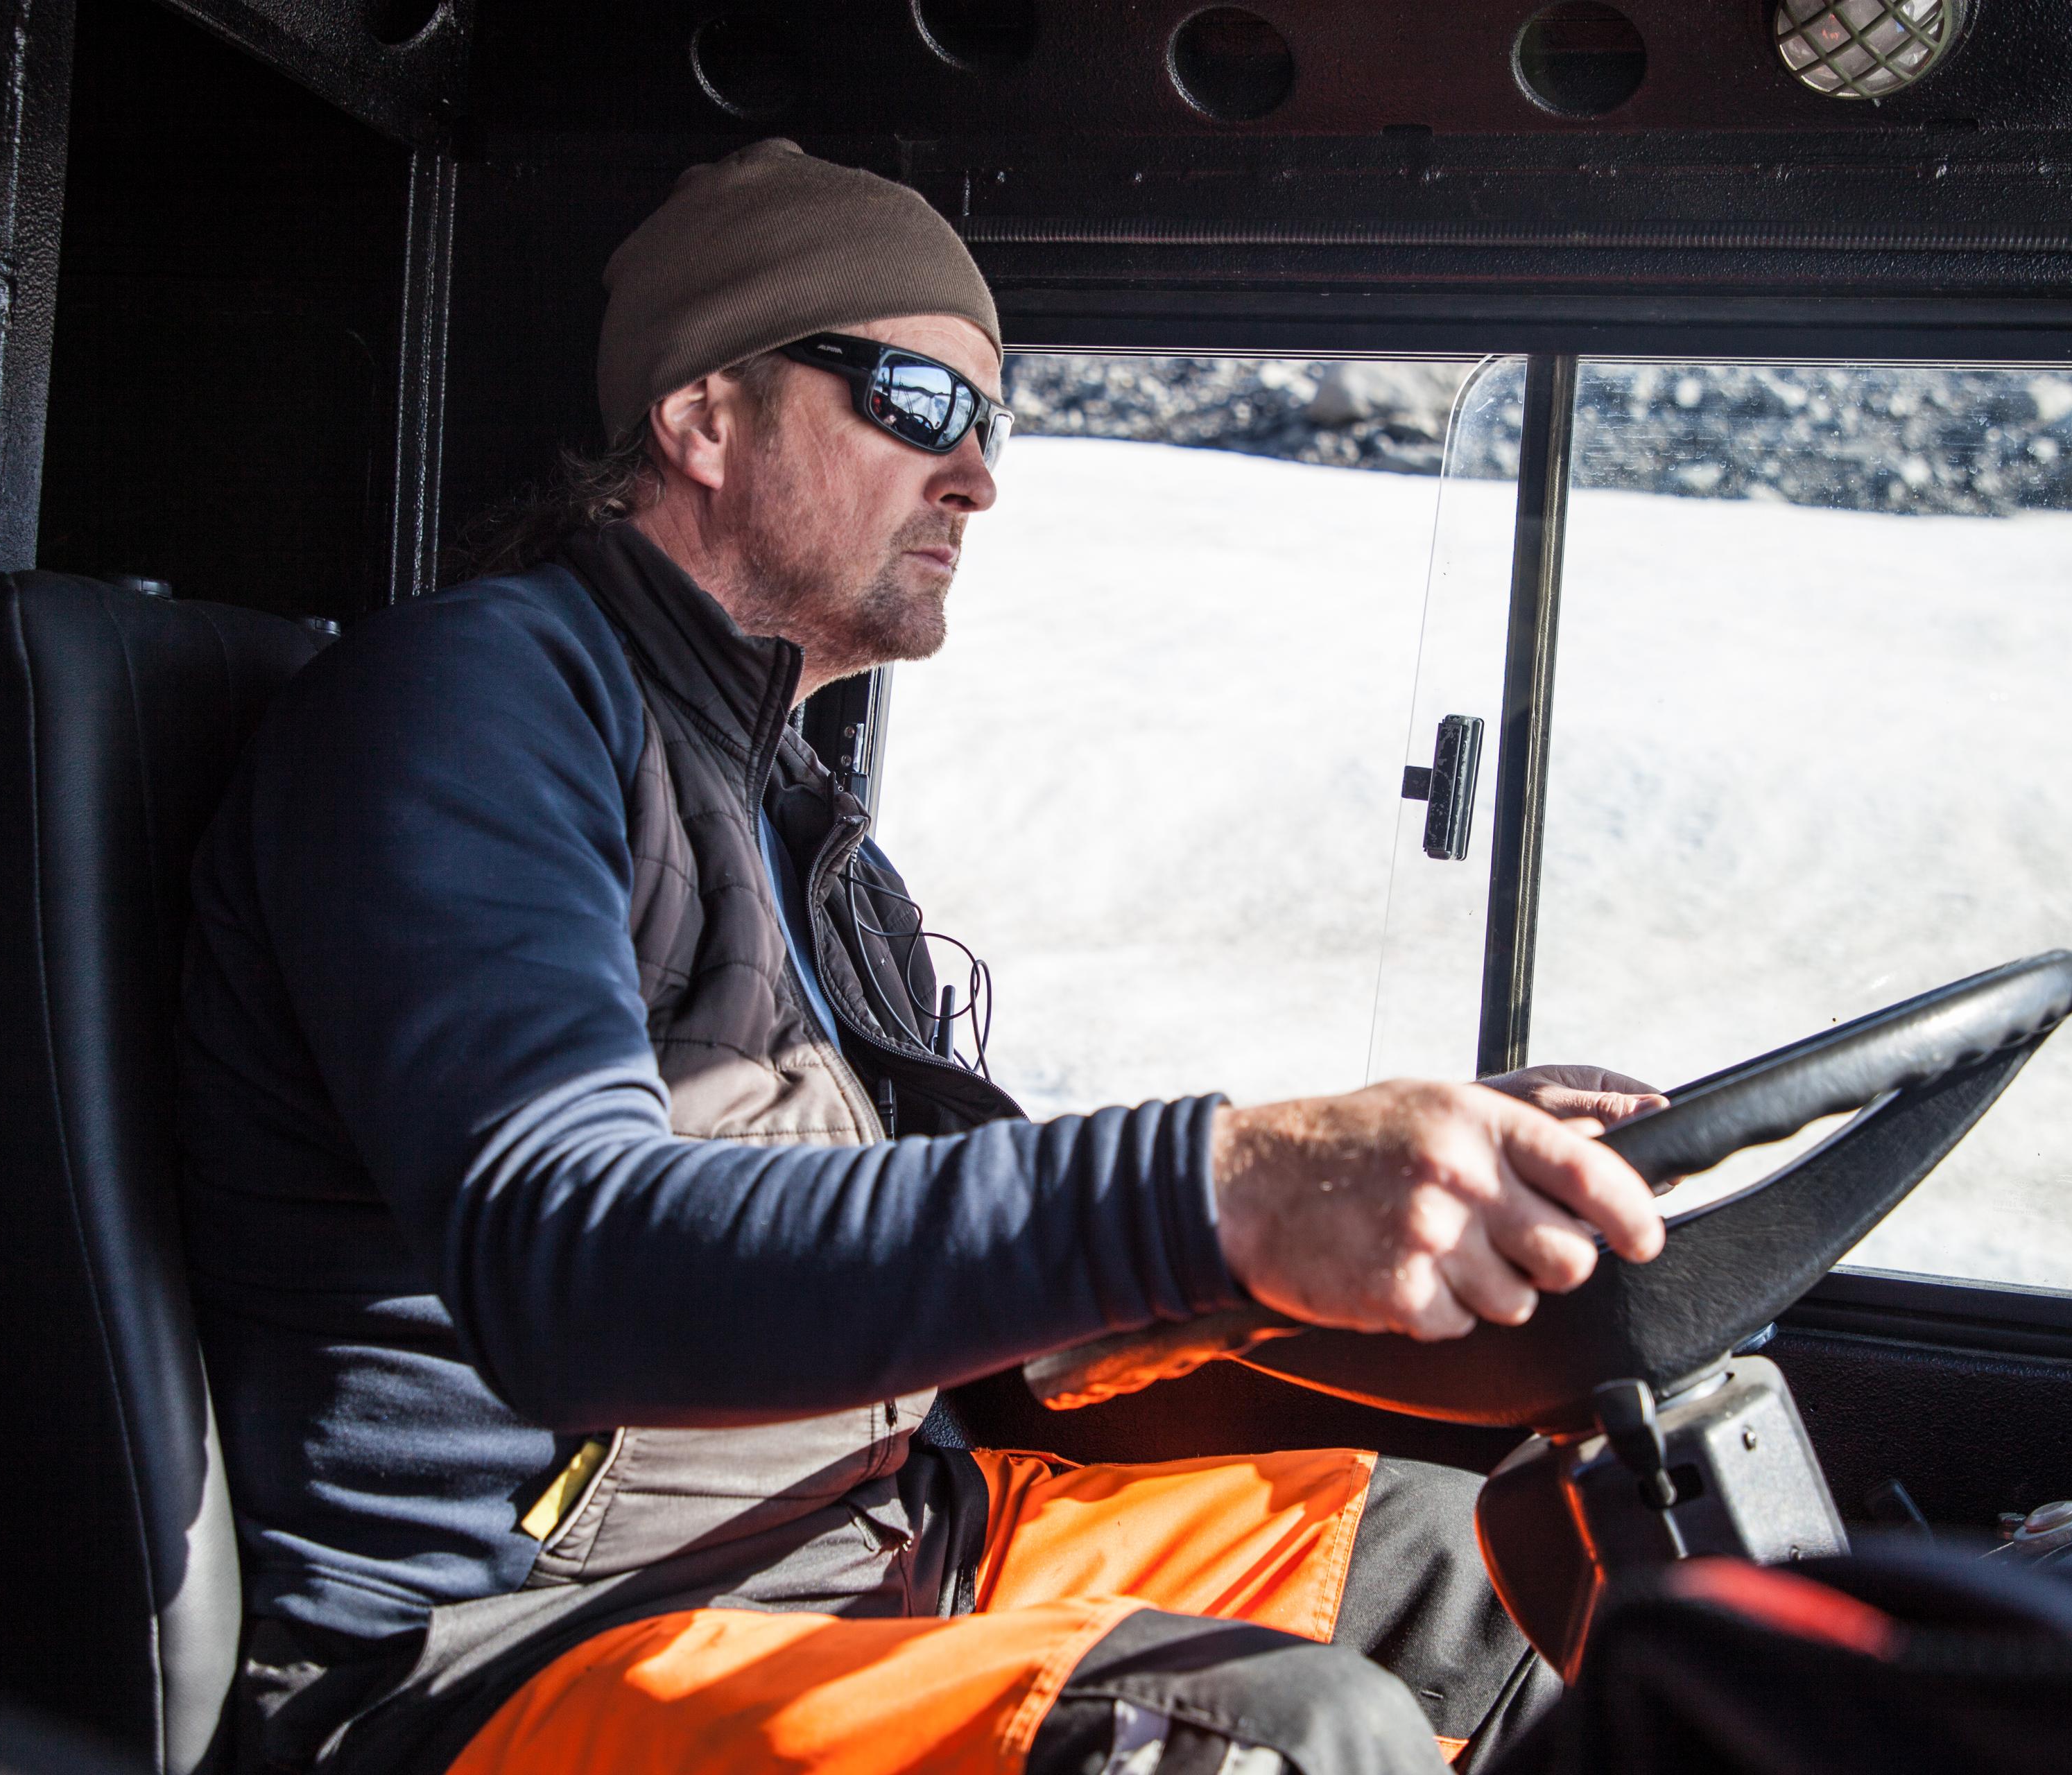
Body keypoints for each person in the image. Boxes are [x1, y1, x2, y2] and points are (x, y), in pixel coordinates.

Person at [178, 139, 1668, 1775]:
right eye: (917, 401)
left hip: (877, 1536)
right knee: (1270, 1741)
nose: (976, 477)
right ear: (704, 417)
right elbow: (567, 1255)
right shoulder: (473, 702)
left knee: (1505, 1579)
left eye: (989, 425)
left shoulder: (792, 808)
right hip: (519, 1648)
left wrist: (1398, 1187)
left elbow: (958, 1258)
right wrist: (1226, 1185)